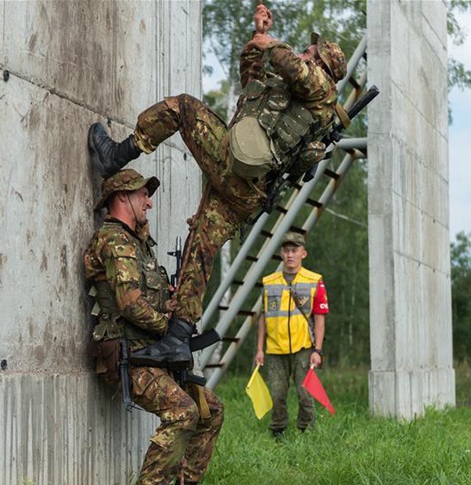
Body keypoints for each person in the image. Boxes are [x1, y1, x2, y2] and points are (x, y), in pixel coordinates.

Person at [87, 1, 346, 363]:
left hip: (236, 170)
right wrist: (257, 37)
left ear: (322, 64)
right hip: (243, 188)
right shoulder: (292, 93)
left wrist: (273, 43)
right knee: (200, 250)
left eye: (311, 51)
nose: (305, 52)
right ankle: (178, 338)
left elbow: (294, 67)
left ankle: (118, 154)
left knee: (184, 108)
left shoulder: (322, 90)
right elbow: (251, 79)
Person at [83, 169, 224, 485]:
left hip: (153, 354)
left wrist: (171, 306)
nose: (149, 201)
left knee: (212, 410)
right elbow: (129, 305)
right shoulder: (114, 241)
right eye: (143, 194)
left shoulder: (139, 243)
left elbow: (149, 297)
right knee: (183, 414)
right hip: (131, 357)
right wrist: (171, 327)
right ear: (123, 198)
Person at [254, 232, 328, 437]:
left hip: (304, 348)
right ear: (281, 254)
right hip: (275, 349)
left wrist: (318, 350)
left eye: (294, 250)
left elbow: (320, 318)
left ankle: (307, 429)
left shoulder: (315, 281)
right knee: (277, 393)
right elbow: (263, 317)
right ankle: (278, 431)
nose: (290, 255)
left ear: (303, 253)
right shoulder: (269, 282)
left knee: (305, 393)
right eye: (286, 250)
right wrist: (260, 349)